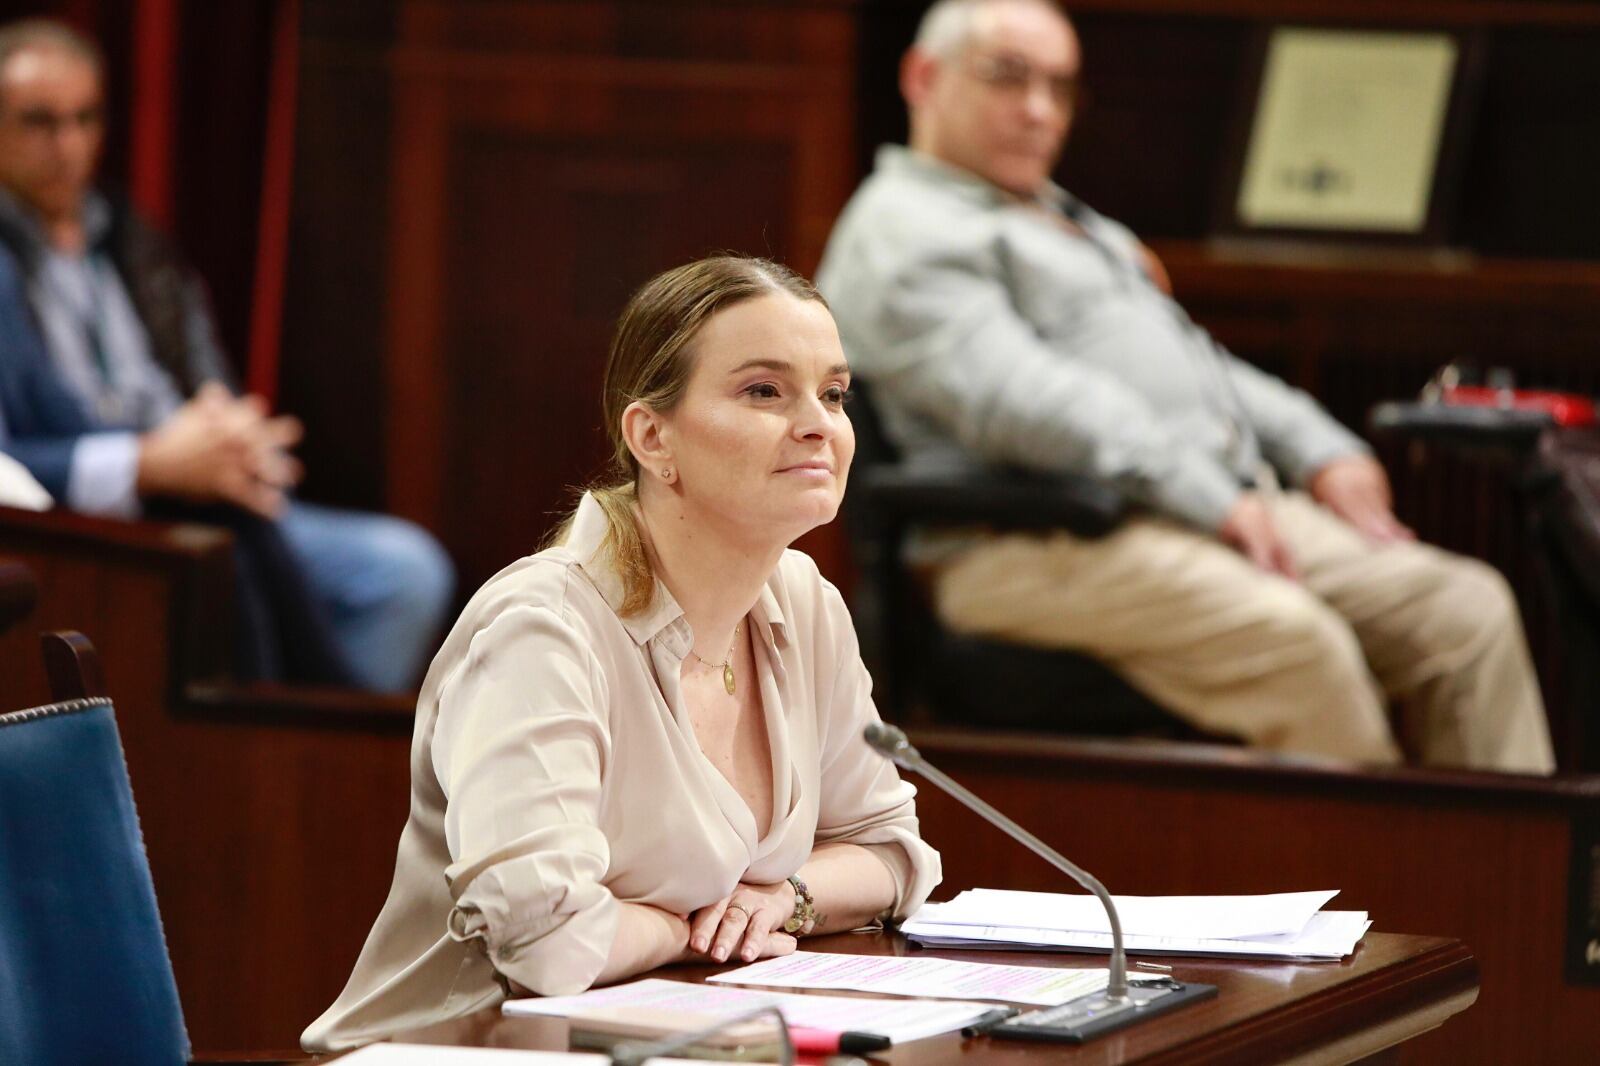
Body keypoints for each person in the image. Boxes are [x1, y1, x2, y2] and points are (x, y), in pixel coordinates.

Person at [816, 0, 1555, 773]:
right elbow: (1033, 407)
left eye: (1061, 88)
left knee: (1465, 610)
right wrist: (1212, 496)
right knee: (1301, 646)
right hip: (1032, 537)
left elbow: (1200, 362)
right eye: (1009, 78)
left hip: (1178, 506)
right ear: (923, 77)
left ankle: (1519, 888)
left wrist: (1320, 448)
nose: (1040, 112)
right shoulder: (901, 234)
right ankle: (1393, 886)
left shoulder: (1060, 216)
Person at [301, 255, 942, 1051]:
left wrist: (783, 899)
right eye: (764, 391)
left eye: (835, 393)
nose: (818, 423)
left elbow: (889, 850)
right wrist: (687, 929)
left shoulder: (803, 601)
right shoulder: (542, 629)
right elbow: (547, 943)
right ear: (651, 436)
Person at [0, 19, 453, 691]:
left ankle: (312, 757)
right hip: (106, 512)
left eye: (84, 119)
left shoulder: (131, 236)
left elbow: (207, 375)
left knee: (406, 570)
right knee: (223, 550)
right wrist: (149, 462)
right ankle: (297, 758)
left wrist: (236, 436)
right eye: (40, 122)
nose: (67, 145)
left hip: (200, 474)